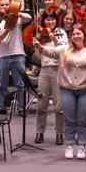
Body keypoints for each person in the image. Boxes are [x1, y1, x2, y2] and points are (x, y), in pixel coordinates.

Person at [33, 24, 86, 159]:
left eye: (79, 33)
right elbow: (49, 52)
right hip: (67, 90)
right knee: (69, 119)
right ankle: (69, 145)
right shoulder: (64, 49)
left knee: (82, 119)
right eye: (74, 34)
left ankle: (81, 146)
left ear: (84, 35)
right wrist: (39, 47)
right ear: (71, 36)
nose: (76, 36)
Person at [0, 0, 32, 114]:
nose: (4, 7)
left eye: (6, 4)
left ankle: (21, 108)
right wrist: (8, 27)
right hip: (2, 56)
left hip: (18, 53)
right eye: (2, 5)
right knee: (1, 83)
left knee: (20, 83)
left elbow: (29, 18)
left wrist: (17, 13)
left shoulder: (17, 18)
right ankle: (1, 107)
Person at [34, 10, 69, 145]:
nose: (50, 22)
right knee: (41, 104)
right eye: (47, 19)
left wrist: (54, 39)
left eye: (52, 19)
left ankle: (60, 134)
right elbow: (38, 56)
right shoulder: (40, 33)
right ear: (44, 21)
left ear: (56, 20)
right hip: (44, 70)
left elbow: (65, 50)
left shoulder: (61, 33)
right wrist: (37, 45)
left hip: (58, 70)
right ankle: (39, 133)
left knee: (59, 106)